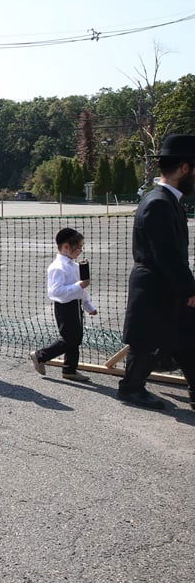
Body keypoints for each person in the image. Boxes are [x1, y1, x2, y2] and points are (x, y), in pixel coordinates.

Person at [120, 134, 195, 409]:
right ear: (185, 168)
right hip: (155, 285)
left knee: (187, 337)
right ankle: (131, 388)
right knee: (146, 342)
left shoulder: (167, 199)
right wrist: (189, 289)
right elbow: (168, 255)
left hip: (166, 282)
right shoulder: (159, 203)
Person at [29, 228, 98, 381]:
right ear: (66, 247)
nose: (81, 250)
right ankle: (40, 355)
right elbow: (55, 292)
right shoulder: (57, 267)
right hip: (64, 307)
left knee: (77, 337)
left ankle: (69, 369)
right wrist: (79, 285)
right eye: (78, 246)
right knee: (70, 339)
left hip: (76, 305)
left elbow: (81, 290)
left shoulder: (73, 265)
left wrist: (88, 306)